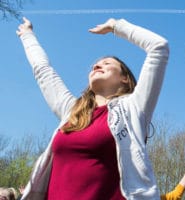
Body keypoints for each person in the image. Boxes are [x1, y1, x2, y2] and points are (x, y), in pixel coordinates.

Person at [16, 16, 169, 200]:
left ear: (125, 78)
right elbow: (43, 71)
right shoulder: (72, 110)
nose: (97, 65)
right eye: (95, 65)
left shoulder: (134, 108)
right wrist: (27, 35)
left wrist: (115, 26)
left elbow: (158, 47)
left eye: (107, 63)